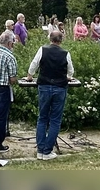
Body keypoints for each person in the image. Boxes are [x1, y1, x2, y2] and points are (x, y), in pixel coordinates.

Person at [27, 30, 75, 161]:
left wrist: (30, 76)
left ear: (50, 38)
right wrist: (68, 77)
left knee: (42, 118)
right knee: (55, 119)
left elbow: (34, 64)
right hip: (59, 87)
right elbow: (71, 70)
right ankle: (47, 150)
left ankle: (41, 150)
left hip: (44, 85)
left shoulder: (42, 50)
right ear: (61, 40)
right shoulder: (66, 53)